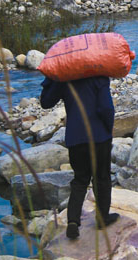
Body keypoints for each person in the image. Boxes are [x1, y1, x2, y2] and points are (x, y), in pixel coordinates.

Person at [40, 76, 119, 239]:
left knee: (80, 180)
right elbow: (106, 108)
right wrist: (108, 128)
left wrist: (51, 79)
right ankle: (103, 218)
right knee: (102, 178)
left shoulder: (64, 77)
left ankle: (73, 222)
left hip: (75, 138)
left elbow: (46, 102)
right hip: (99, 137)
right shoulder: (99, 76)